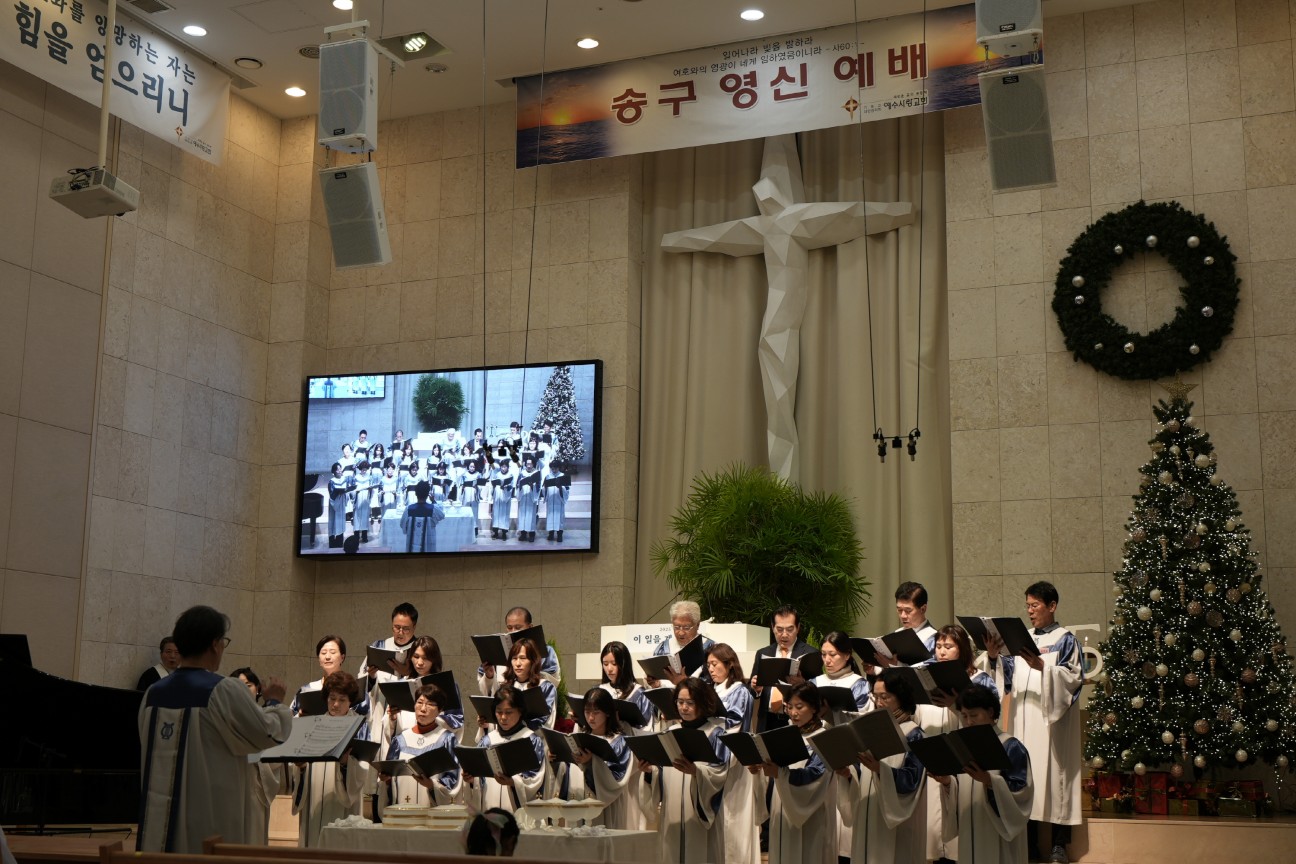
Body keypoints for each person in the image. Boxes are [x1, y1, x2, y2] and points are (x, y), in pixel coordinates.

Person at [137, 606, 290, 853]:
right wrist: (274, 702)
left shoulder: (152, 694)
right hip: (208, 816)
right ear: (214, 644)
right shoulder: (223, 689)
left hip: (158, 824)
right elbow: (266, 733)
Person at [986, 581, 1082, 864]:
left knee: (1055, 779)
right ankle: (1027, 843)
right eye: (1027, 605)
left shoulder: (1065, 640)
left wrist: (1044, 668)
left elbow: (1073, 679)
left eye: (1035, 605)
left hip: (1052, 724)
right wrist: (993, 656)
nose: (1029, 611)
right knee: (1025, 777)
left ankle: (1059, 845)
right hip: (1022, 720)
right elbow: (1005, 678)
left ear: (1052, 606)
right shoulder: (1020, 639)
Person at [915, 623, 999, 864]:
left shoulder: (980, 679)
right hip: (935, 752)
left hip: (965, 757)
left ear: (962, 649)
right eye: (938, 646)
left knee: (959, 824)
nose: (941, 651)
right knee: (933, 824)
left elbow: (989, 719)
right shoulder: (926, 678)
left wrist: (954, 704)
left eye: (948, 646)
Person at [930, 684, 1032, 864]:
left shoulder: (1010, 746)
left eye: (974, 715)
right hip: (970, 831)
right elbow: (961, 789)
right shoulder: (964, 748)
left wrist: (990, 781)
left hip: (998, 835)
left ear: (990, 712)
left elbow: (1022, 795)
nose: (969, 722)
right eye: (964, 716)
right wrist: (947, 783)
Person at [636, 677, 731, 864]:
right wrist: (649, 771)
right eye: (680, 702)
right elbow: (661, 771)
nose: (684, 707)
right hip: (672, 815)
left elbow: (720, 771)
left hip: (699, 816)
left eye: (690, 703)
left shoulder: (715, 733)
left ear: (702, 703)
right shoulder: (670, 732)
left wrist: (696, 772)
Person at [835, 669, 927, 864]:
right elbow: (860, 773)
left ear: (901, 697)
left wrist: (880, 770)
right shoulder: (869, 731)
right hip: (868, 812)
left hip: (896, 822)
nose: (879, 702)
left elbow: (912, 781)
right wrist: (848, 775)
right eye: (875, 697)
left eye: (885, 697)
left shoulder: (914, 734)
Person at [760, 682, 834, 864]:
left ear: (814, 708)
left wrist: (781, 773)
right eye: (789, 707)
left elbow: (816, 775)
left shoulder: (823, 737)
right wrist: (761, 770)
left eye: (799, 707)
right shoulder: (786, 733)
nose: (793, 713)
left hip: (809, 810)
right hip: (781, 805)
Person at [293, 671, 368, 847]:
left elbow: (363, 767)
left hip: (342, 802)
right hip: (314, 800)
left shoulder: (359, 726)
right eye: (332, 698)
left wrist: (345, 764)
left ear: (350, 702)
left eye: (342, 700)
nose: (335, 704)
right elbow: (300, 760)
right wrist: (301, 768)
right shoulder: (313, 724)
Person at [546, 688, 634, 827]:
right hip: (577, 798)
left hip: (606, 809)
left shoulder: (620, 742)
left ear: (607, 712)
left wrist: (591, 762)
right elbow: (567, 771)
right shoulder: (579, 738)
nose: (591, 718)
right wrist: (555, 760)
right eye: (587, 712)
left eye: (596, 712)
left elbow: (615, 782)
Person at [706, 644, 759, 864]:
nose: (711, 669)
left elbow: (734, 725)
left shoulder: (739, 691)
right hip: (711, 758)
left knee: (733, 820)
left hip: (733, 762)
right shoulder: (710, 690)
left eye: (715, 664)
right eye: (708, 665)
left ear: (729, 665)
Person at [468, 685, 546, 813]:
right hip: (490, 808)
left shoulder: (530, 740)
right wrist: (472, 780)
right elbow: (479, 778)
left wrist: (513, 782)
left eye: (508, 712)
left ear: (520, 711)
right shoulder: (487, 741)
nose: (503, 717)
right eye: (499, 712)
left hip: (517, 812)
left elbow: (536, 779)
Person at [382, 684, 462, 807]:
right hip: (401, 810)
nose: (423, 709)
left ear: (440, 710)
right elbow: (389, 777)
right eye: (419, 702)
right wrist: (387, 780)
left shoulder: (446, 739)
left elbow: (453, 779)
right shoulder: (400, 740)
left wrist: (431, 785)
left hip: (431, 811)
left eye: (430, 704)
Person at [231, 668, 285, 845]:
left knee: (254, 833)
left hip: (256, 782)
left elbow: (277, 753)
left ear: (258, 688)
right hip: (233, 782)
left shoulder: (267, 717)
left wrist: (257, 757)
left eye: (248, 685)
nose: (244, 689)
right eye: (239, 685)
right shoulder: (226, 715)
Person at [751, 605, 816, 732]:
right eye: (779, 629)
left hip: (796, 720)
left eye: (790, 629)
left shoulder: (810, 653)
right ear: (772, 627)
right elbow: (752, 691)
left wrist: (803, 684)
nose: (784, 635)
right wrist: (756, 688)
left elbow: (816, 695)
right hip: (767, 720)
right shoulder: (763, 653)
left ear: (798, 628)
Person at [479, 638, 556, 731]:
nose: (518, 663)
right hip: (505, 738)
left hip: (533, 738)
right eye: (514, 658)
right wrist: (488, 723)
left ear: (533, 661)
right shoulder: (506, 687)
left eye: (523, 658)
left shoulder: (545, 687)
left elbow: (543, 721)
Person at [478, 607, 562, 686]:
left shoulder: (546, 650)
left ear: (530, 627)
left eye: (518, 627)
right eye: (509, 627)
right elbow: (486, 685)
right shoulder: (498, 650)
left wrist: (528, 674)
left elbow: (553, 680)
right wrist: (489, 677)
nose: (513, 631)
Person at [647, 600, 715, 688]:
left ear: (697, 625)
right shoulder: (662, 648)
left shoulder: (711, 649)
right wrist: (655, 683)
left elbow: (713, 685)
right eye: (677, 627)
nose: (681, 633)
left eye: (686, 627)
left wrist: (684, 682)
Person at [811, 631, 872, 723]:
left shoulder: (859, 685)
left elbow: (863, 722)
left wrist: (829, 714)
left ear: (847, 655)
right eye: (823, 654)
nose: (827, 660)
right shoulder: (814, 682)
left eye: (832, 654)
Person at [891, 581, 938, 666]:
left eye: (908, 610)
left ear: (923, 609)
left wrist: (895, 664)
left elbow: (927, 671)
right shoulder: (897, 634)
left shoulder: (934, 638)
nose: (903, 616)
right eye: (899, 610)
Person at [401, 480, 445, 552]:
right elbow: (442, 515)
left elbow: (402, 525)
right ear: (428, 494)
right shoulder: (432, 509)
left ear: (415, 493)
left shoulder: (408, 509)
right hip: (428, 546)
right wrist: (433, 501)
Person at [327, 461, 353, 548]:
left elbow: (347, 491)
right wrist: (338, 493)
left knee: (340, 523)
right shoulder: (332, 481)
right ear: (334, 471)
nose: (340, 471)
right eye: (337, 469)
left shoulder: (344, 479)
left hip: (341, 503)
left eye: (340, 469)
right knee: (333, 522)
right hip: (335, 504)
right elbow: (331, 494)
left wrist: (346, 491)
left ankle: (339, 542)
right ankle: (333, 543)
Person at [514, 455, 541, 542]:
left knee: (531, 516)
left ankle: (531, 534)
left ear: (533, 464)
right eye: (527, 464)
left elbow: (538, 487)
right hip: (523, 498)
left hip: (531, 498)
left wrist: (532, 486)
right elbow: (517, 485)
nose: (528, 466)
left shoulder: (536, 474)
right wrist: (520, 486)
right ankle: (523, 534)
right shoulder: (522, 473)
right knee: (522, 516)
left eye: (530, 464)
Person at [543, 459, 570, 542]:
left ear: (559, 467)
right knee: (550, 517)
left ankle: (559, 535)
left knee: (559, 518)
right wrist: (545, 488)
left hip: (559, 501)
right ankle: (551, 534)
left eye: (555, 467)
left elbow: (567, 489)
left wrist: (561, 488)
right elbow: (543, 488)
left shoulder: (563, 476)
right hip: (551, 500)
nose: (553, 469)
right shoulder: (547, 476)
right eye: (552, 467)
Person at [490, 457, 515, 540]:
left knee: (504, 515)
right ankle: (495, 532)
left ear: (507, 467)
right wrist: (495, 486)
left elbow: (512, 486)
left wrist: (506, 486)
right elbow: (493, 484)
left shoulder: (510, 475)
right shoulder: (497, 474)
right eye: (502, 467)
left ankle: (504, 533)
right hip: (497, 496)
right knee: (496, 514)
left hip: (505, 497)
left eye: (505, 467)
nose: (503, 469)